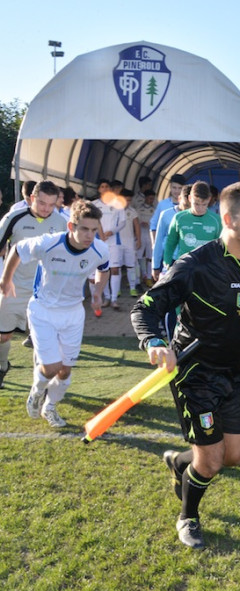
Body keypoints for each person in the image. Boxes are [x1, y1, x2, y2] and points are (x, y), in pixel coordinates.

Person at [130, 181, 240, 549]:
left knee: (236, 456)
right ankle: (188, 516)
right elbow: (145, 308)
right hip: (194, 373)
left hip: (235, 371)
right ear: (228, 219)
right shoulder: (195, 265)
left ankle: (181, 462)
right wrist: (154, 343)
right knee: (211, 462)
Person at [0, 200, 109, 427]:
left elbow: (104, 269)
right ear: (71, 227)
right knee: (51, 367)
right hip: (43, 311)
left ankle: (49, 408)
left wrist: (98, 292)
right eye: (84, 229)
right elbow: (17, 250)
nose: (90, 235)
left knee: (65, 371)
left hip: (73, 313)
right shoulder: (48, 243)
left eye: (94, 230)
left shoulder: (100, 249)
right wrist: (5, 280)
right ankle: (37, 392)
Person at [0, 181, 68, 388]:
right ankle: (2, 366)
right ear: (31, 198)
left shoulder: (62, 223)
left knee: (43, 340)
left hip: (44, 292)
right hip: (14, 287)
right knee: (3, 335)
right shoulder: (13, 218)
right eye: (41, 203)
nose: (46, 208)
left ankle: (40, 386)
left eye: (51, 204)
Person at [162, 181, 221, 267]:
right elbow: (171, 242)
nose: (200, 208)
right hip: (184, 266)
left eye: (204, 204)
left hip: (208, 267)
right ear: (190, 198)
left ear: (209, 199)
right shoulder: (179, 218)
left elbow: (221, 247)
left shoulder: (216, 220)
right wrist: (167, 262)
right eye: (196, 204)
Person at [92, 180, 127, 309]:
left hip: (114, 241)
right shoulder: (94, 204)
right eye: (102, 186)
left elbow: (123, 222)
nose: (105, 188)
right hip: (99, 241)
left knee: (115, 269)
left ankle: (114, 299)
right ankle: (106, 297)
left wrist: (112, 231)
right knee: (103, 269)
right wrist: (100, 233)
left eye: (107, 186)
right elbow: (90, 220)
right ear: (99, 189)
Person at [152, 185, 191, 281]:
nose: (187, 209)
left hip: (191, 260)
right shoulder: (166, 214)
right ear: (179, 199)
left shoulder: (199, 217)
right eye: (185, 205)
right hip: (171, 260)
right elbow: (158, 241)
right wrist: (155, 266)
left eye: (190, 206)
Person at [149, 173, 185, 247]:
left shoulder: (189, 205)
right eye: (174, 188)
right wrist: (154, 244)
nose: (176, 191)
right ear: (170, 187)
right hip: (165, 246)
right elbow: (154, 224)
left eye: (179, 188)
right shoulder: (162, 204)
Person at [135, 189, 156, 288]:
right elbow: (135, 221)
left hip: (150, 235)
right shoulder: (139, 209)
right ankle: (140, 276)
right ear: (146, 198)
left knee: (150, 257)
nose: (151, 200)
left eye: (153, 199)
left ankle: (148, 277)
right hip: (141, 234)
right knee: (139, 257)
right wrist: (141, 223)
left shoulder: (155, 210)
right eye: (150, 198)